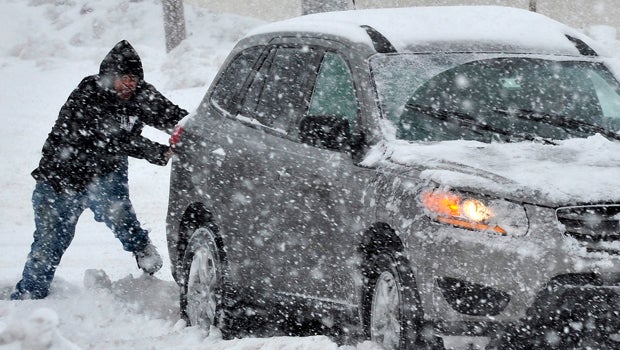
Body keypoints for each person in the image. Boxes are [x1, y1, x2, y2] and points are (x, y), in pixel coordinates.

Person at [11, 40, 188, 300]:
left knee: (123, 220)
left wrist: (192, 134)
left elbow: (175, 118)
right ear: (109, 76)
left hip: (106, 174)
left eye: (135, 79)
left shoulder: (140, 95)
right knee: (48, 245)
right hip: (59, 180)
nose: (130, 84)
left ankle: (142, 250)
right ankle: (28, 299)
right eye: (124, 78)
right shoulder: (88, 93)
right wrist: (160, 152)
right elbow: (111, 137)